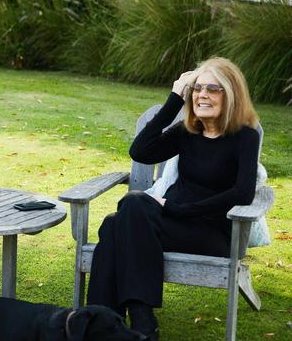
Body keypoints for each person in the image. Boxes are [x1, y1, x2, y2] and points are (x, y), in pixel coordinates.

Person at [86, 57, 260, 340]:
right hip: (170, 222)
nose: (202, 94)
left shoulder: (245, 137)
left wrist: (179, 209)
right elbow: (140, 152)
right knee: (119, 221)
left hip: (211, 233)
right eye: (197, 88)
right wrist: (175, 99)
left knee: (117, 223)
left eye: (213, 89)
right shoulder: (188, 132)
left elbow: (243, 193)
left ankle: (107, 320)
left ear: (231, 95)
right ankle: (127, 323)